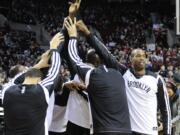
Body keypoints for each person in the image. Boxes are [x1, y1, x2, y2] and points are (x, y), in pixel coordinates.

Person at [75, 20, 171, 135]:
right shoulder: (125, 74)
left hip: (149, 132)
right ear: (130, 60)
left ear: (146, 60)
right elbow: (105, 54)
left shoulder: (157, 79)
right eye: (137, 55)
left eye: (143, 56)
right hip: (128, 131)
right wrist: (87, 33)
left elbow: (166, 111)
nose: (141, 58)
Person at [65, 17, 131, 135]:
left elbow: (74, 58)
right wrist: (88, 33)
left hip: (101, 129)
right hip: (125, 129)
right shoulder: (121, 73)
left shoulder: (92, 75)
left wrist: (73, 37)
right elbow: (108, 55)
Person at [2, 32, 64, 135]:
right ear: (39, 80)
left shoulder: (6, 91)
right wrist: (54, 48)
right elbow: (55, 70)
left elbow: (14, 80)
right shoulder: (41, 91)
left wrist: (38, 65)